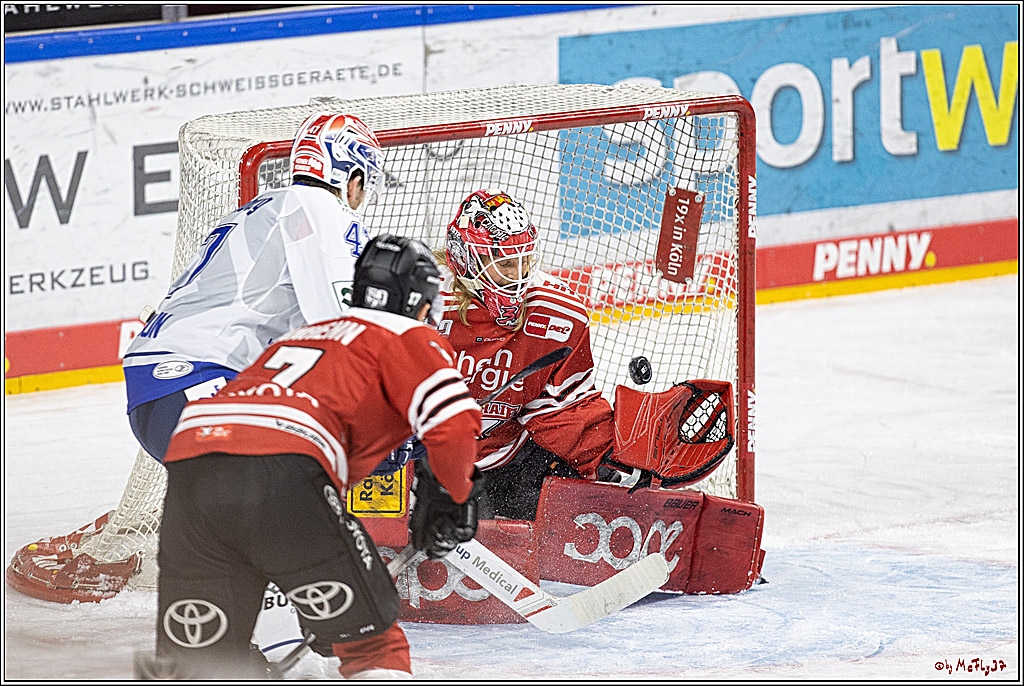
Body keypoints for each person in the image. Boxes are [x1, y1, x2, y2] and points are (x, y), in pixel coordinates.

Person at [137, 235, 483, 680]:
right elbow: (454, 424)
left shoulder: (300, 335)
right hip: (284, 470)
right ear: (421, 302)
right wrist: (452, 496)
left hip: (192, 465)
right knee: (371, 642)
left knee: (203, 665)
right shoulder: (410, 335)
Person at [123, 111, 384, 461]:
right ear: (353, 178)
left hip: (155, 389)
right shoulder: (323, 210)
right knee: (310, 469)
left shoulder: (261, 208)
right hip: (199, 382)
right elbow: (348, 325)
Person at [378, 189, 618, 520]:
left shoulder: (554, 313)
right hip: (425, 466)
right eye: (505, 264)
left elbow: (562, 408)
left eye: (525, 261)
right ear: (468, 262)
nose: (519, 276)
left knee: (567, 517)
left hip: (510, 459)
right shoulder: (418, 307)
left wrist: (609, 457)